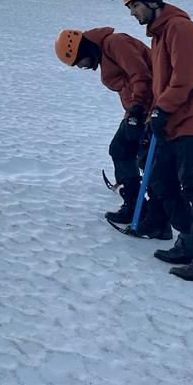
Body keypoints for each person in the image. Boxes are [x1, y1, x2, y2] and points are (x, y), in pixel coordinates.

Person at [123, 0, 193, 283]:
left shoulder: (180, 28)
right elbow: (163, 84)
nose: (132, 13)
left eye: (135, 6)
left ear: (152, 1)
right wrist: (154, 112)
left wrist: (162, 109)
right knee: (160, 178)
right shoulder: (158, 36)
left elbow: (186, 77)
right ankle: (189, 241)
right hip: (174, 119)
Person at [54, 27, 169, 235]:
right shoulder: (106, 52)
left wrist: (138, 109)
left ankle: (157, 219)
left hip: (150, 110)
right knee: (120, 149)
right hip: (139, 111)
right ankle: (136, 205)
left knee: (148, 160)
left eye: (79, 62)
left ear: (81, 49)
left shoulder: (115, 43)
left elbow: (141, 75)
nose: (82, 67)